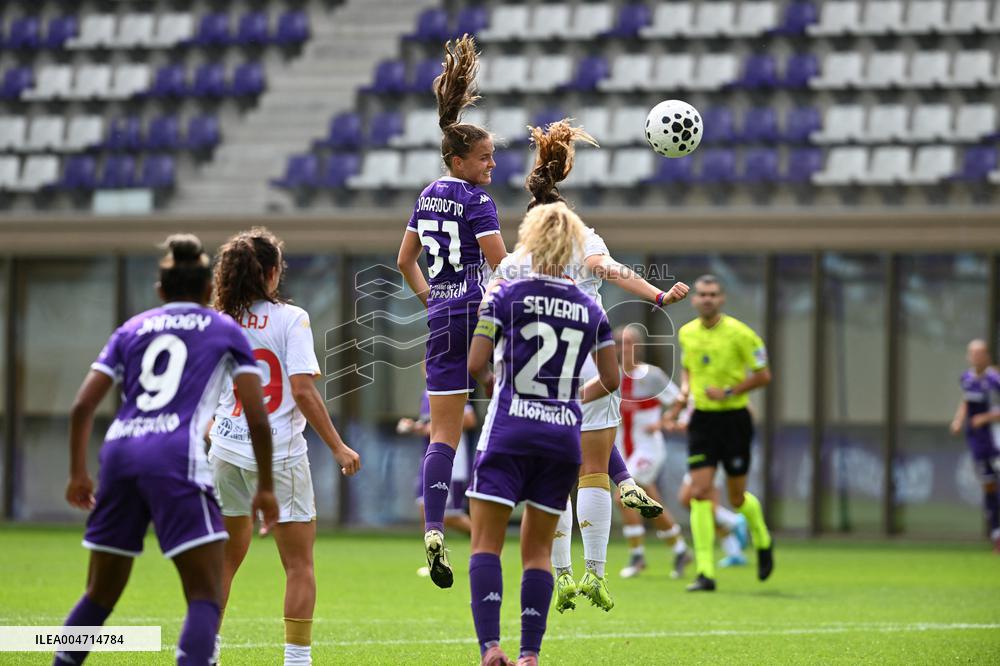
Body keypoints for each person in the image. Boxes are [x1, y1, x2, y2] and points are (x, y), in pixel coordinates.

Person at [491, 120, 689, 613]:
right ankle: (595, 573)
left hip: (534, 371)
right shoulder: (585, 239)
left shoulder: (517, 257)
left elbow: (493, 310)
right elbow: (607, 271)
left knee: (550, 474)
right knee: (593, 471)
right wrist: (658, 295)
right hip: (587, 359)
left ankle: (557, 573)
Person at [55, 235, 279, 666]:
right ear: (207, 290)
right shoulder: (225, 330)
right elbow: (256, 415)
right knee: (205, 595)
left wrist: (78, 473)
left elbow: (82, 405)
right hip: (175, 455)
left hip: (119, 454)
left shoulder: (132, 328)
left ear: (160, 290)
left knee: (99, 595)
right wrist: (265, 487)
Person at [466, 200, 620, 666]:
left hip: (510, 428)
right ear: (572, 245)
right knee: (537, 551)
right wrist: (570, 401)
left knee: (486, 544)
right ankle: (531, 654)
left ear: (529, 241)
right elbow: (612, 380)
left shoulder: (505, 294)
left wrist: (497, 384)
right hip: (561, 437)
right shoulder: (590, 307)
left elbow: (475, 364)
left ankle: (492, 648)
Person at [208, 228, 361, 665]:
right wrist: (338, 447)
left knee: (224, 558)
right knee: (298, 564)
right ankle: (296, 662)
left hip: (225, 449)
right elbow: (303, 391)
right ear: (272, 273)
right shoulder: (291, 319)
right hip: (278, 455)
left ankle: (207, 652)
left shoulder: (222, 321)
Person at [396, 34, 507, 589]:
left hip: (443, 316)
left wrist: (433, 300)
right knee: (537, 397)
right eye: (485, 158)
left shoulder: (427, 194)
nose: (492, 165)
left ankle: (435, 527)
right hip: (482, 316)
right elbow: (501, 267)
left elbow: (403, 260)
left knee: (443, 437)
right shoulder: (477, 200)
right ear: (459, 160)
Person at [677, 274, 773, 592]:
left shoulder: (741, 334)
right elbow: (689, 368)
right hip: (702, 421)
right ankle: (705, 572)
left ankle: (761, 537)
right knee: (699, 493)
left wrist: (731, 391)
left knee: (735, 497)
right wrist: (684, 393)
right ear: (694, 300)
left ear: (722, 299)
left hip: (734, 419)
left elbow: (763, 375)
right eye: (702, 294)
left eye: (713, 294)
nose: (707, 299)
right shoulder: (687, 333)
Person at [611, 324, 693, 580]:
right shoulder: (610, 376)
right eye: (620, 344)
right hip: (625, 449)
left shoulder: (652, 375)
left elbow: (682, 401)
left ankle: (637, 556)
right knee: (649, 502)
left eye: (629, 343)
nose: (625, 349)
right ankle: (680, 549)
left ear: (638, 346)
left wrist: (664, 421)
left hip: (648, 448)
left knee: (623, 496)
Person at [398, 388, 476, 573]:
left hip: (452, 463)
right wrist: (415, 426)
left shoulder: (452, 386)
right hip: (429, 461)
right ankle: (439, 562)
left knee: (452, 516)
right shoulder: (425, 394)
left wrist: (426, 428)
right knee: (425, 510)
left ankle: (487, 545)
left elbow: (470, 420)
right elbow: (430, 425)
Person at [949, 339, 1000, 552]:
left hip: (996, 439)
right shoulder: (966, 379)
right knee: (989, 487)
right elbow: (966, 401)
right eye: (973, 353)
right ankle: (996, 533)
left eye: (981, 353)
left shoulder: (994, 380)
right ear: (968, 356)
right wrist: (959, 419)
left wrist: (986, 418)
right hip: (977, 442)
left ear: (987, 356)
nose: (977, 357)